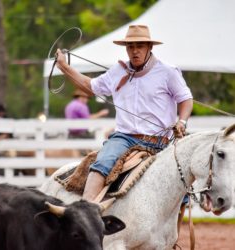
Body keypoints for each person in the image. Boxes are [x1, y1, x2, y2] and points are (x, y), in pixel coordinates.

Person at [55, 25, 193, 202]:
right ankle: (86, 209)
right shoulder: (117, 71)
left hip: (161, 141)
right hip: (124, 138)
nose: (135, 51)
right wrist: (64, 67)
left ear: (149, 47)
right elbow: (90, 87)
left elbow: (185, 99)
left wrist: (182, 122)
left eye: (140, 46)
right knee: (102, 163)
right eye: (130, 47)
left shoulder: (168, 72)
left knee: (182, 188)